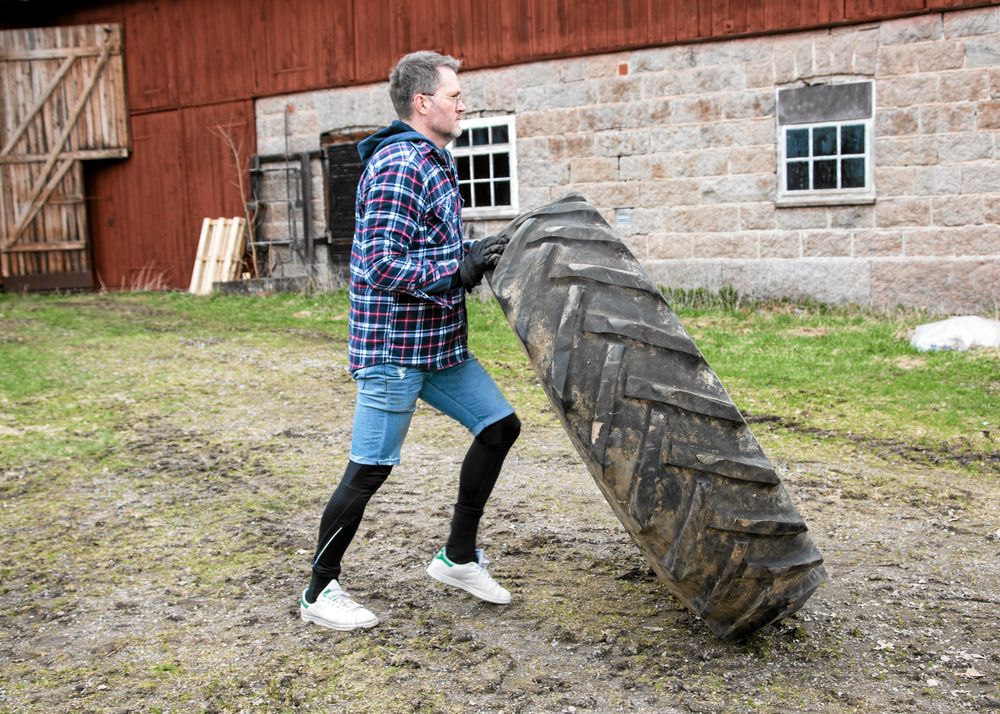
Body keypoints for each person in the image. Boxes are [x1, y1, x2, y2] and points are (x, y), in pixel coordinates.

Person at [299, 51, 521, 631]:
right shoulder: (402, 163)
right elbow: (378, 262)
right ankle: (319, 591)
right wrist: (458, 268)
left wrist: (473, 259)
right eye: (454, 95)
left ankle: (458, 557)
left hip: (437, 345)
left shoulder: (432, 160)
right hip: (394, 349)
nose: (462, 103)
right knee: (371, 467)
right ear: (423, 103)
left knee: (498, 426)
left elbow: (435, 249)